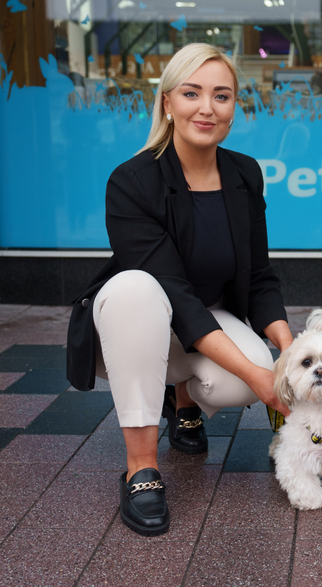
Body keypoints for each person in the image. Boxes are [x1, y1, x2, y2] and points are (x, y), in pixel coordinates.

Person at [66, 43, 294, 537]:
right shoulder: (131, 180)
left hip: (200, 320)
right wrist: (259, 376)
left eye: (222, 95)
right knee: (137, 289)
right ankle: (141, 466)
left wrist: (292, 354)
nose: (207, 108)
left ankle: (182, 398)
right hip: (130, 326)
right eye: (192, 93)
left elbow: (258, 277)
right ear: (168, 101)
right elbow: (176, 295)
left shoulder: (244, 173)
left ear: (236, 106)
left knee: (239, 383)